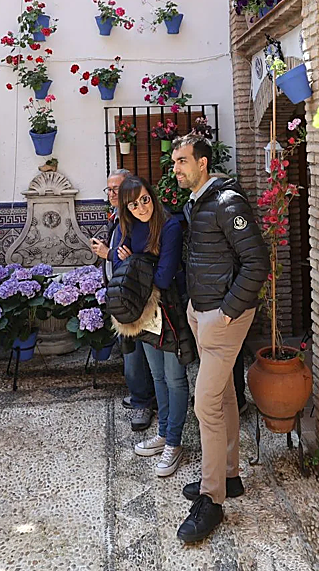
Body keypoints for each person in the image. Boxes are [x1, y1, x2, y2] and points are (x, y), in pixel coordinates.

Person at [169, 135, 267, 543]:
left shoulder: (227, 203)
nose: (176, 168)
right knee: (224, 395)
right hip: (202, 311)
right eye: (174, 162)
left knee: (204, 403)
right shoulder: (199, 203)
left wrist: (228, 311)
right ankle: (229, 476)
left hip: (223, 317)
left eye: (183, 161)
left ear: (204, 163)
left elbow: (257, 262)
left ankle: (212, 501)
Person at [108, 175, 194, 478]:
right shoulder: (128, 227)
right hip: (143, 313)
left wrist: (136, 261)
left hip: (168, 312)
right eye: (134, 203)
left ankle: (174, 442)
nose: (142, 206)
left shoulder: (168, 226)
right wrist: (140, 263)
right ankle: (163, 434)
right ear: (126, 208)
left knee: (175, 378)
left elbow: (163, 277)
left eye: (145, 199)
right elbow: (120, 270)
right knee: (157, 376)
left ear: (152, 196)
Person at [90, 167, 155, 432]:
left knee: (136, 353)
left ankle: (143, 402)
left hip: (135, 299)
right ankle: (142, 396)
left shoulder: (138, 220)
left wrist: (108, 255)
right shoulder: (119, 217)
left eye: (118, 188)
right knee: (129, 351)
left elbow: (136, 261)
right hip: (121, 296)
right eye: (110, 189)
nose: (112, 193)